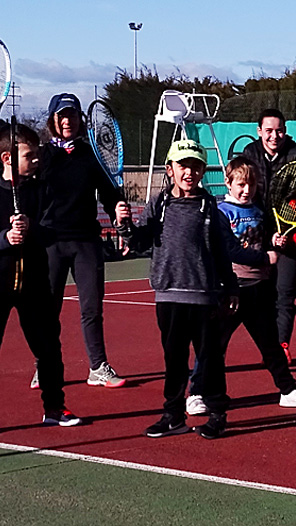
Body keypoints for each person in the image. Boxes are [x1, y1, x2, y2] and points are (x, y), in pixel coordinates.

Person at [0, 125, 80, 439]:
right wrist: (6, 238)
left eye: (37, 154)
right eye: (30, 155)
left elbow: (53, 231)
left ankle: (54, 408)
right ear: (7, 157)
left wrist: (32, 227)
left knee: (48, 347)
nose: (36, 160)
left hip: (35, 282)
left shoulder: (41, 191)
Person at [120, 140, 243, 439]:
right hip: (168, 295)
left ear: (203, 170)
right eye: (183, 165)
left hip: (203, 296)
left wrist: (230, 288)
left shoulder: (210, 208)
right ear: (170, 170)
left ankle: (217, 414)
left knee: (210, 358)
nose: (190, 171)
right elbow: (139, 241)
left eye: (196, 166)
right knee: (173, 359)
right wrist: (125, 226)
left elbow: (221, 252)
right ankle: (172, 415)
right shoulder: (158, 205)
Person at [210, 156, 296, 413]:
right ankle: (199, 392)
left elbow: (266, 237)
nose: (246, 189)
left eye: (251, 184)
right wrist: (265, 256)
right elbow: (229, 250)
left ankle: (288, 391)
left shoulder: (259, 210)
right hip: (231, 289)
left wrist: (274, 241)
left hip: (260, 288)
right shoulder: (221, 212)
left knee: (271, 345)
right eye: (241, 184)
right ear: (228, 183)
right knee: (214, 345)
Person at [38, 93, 127, 389]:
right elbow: (19, 181)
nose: (67, 121)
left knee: (92, 308)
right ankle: (44, 364)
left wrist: (117, 208)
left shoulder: (91, 155)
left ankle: (98, 367)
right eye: (62, 116)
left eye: (72, 115)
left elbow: (108, 192)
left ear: (80, 120)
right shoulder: (42, 157)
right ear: (53, 120)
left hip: (86, 242)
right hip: (50, 241)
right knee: (47, 310)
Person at [241, 108, 296, 363]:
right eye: (268, 131)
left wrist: (285, 231)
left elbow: (295, 196)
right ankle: (267, 343)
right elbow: (247, 192)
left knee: (286, 293)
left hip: (291, 234)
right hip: (260, 235)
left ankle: (282, 344)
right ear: (259, 132)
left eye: (279, 130)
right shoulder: (250, 153)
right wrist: (266, 236)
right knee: (262, 296)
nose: (274, 136)